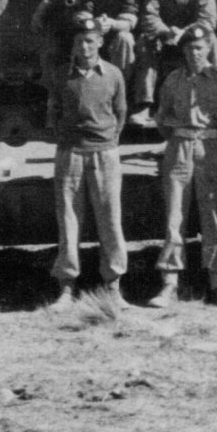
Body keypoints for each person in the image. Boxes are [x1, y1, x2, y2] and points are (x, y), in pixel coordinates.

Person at [47, 16, 137, 305]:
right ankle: (67, 286)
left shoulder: (112, 74)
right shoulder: (62, 75)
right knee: (68, 220)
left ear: (99, 42)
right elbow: (54, 112)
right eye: (79, 42)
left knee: (110, 220)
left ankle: (113, 285)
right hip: (70, 153)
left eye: (89, 41)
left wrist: (106, 140)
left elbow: (120, 113)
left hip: (105, 153)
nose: (84, 47)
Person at [149, 19, 217, 303]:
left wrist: (213, 139)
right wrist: (179, 137)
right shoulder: (173, 80)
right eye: (189, 49)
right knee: (175, 217)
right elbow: (162, 119)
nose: (194, 53)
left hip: (210, 148)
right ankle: (170, 283)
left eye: (199, 48)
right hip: (179, 148)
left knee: (214, 216)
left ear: (209, 48)